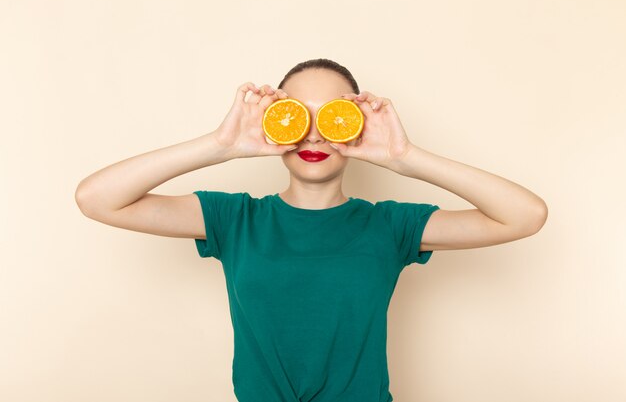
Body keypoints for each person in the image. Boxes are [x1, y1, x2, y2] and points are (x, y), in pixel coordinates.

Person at [75, 58, 548, 402]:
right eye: (299, 116)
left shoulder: (390, 225)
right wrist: (220, 145)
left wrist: (406, 157)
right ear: (275, 122)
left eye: (334, 117)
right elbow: (96, 198)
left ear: (358, 124)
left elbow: (524, 215)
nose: (316, 134)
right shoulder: (235, 219)